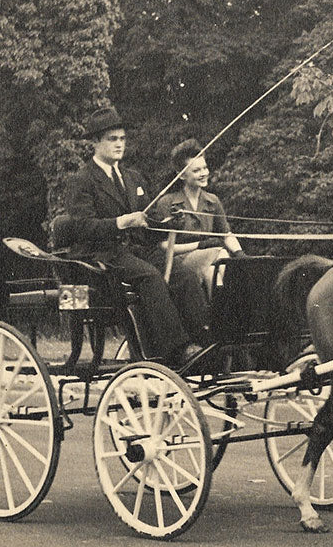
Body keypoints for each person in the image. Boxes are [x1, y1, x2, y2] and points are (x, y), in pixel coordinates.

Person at [62, 106, 199, 367]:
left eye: (122, 139)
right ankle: (177, 350)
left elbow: (148, 222)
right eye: (112, 139)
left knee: (185, 275)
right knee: (150, 276)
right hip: (101, 256)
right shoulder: (82, 180)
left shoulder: (133, 178)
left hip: (134, 251)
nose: (119, 144)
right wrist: (121, 222)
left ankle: (203, 342)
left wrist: (169, 223)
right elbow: (81, 227)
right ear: (95, 142)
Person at [152, 138, 245, 343]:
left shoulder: (212, 201)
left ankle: (224, 321)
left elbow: (226, 234)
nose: (203, 173)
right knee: (220, 254)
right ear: (182, 175)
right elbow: (164, 245)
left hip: (210, 260)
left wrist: (240, 254)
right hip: (180, 263)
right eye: (196, 170)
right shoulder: (168, 203)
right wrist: (199, 245)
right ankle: (221, 319)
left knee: (219, 268)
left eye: (205, 168)